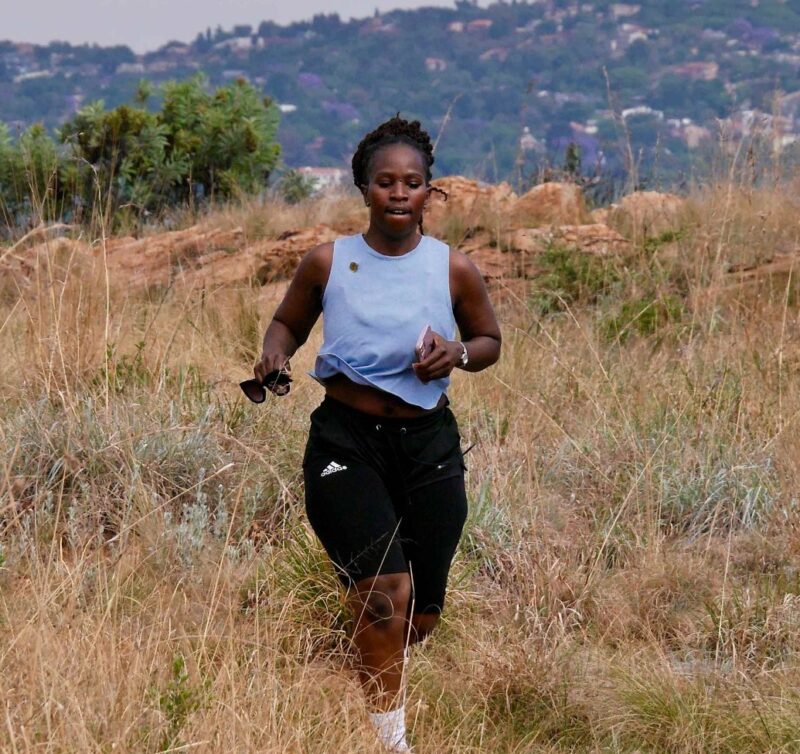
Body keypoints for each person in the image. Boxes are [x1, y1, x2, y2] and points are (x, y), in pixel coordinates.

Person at [253, 115, 501, 752]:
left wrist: (456, 353)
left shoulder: (454, 269)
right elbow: (287, 324)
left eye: (412, 183)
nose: (398, 193)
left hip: (428, 446)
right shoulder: (328, 262)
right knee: (383, 596)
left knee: (418, 615)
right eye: (385, 182)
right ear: (363, 188)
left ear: (428, 192)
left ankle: (360, 660)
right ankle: (391, 741)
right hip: (345, 443)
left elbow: (489, 342)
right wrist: (273, 356)